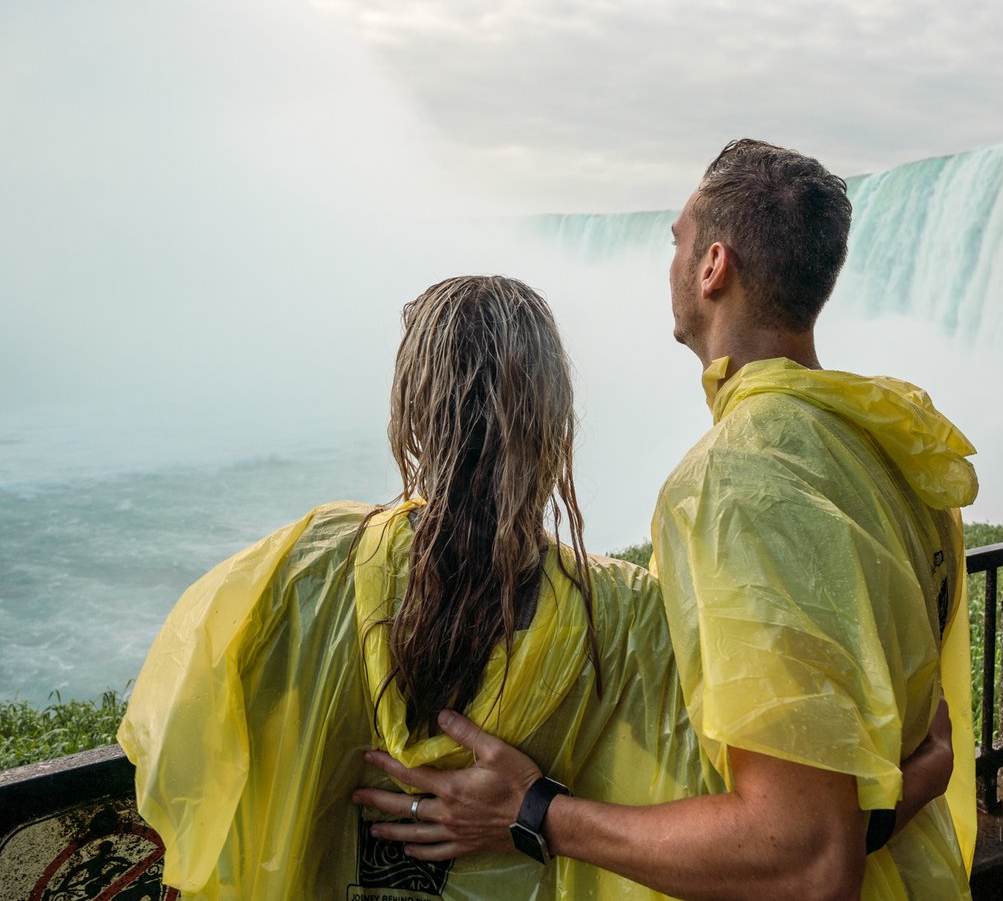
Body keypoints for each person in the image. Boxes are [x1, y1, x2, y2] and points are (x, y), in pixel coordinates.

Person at [118, 274, 955, 900]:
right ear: (556, 424)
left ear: (410, 416)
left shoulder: (298, 575)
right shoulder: (625, 618)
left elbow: (188, 756)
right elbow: (759, 831)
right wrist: (908, 786)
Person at [356, 141, 979, 901]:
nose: (671, 258)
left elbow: (806, 859)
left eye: (678, 240)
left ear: (713, 266)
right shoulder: (892, 450)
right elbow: (902, 739)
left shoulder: (737, 483)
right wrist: (913, 784)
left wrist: (532, 811)